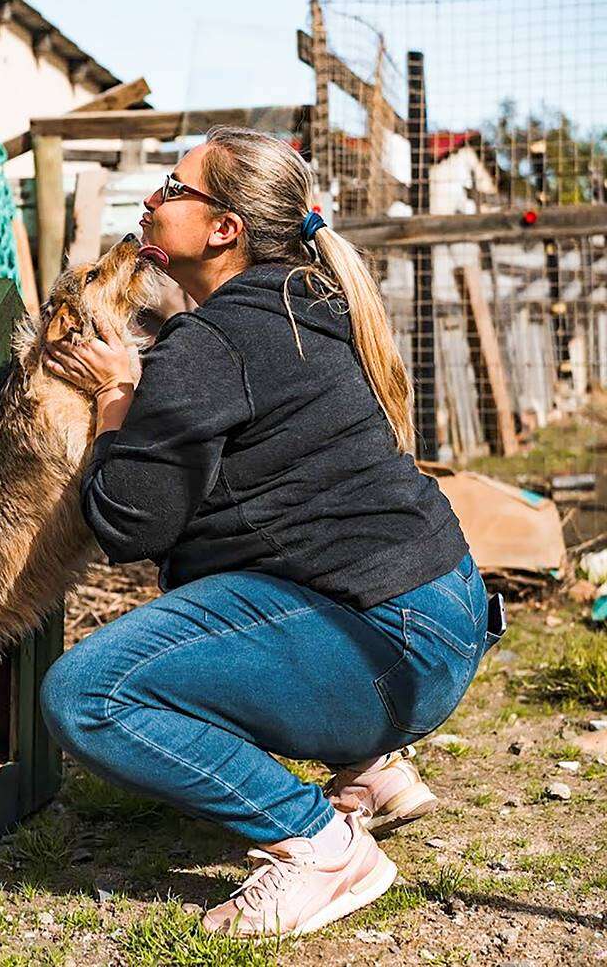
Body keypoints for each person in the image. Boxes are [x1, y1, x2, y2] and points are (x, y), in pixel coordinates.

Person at [39, 126, 492, 939]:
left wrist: (116, 400)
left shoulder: (211, 341)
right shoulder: (309, 300)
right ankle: (369, 772)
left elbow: (131, 522)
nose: (150, 198)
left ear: (225, 229)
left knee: (89, 694)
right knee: (219, 561)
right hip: (444, 613)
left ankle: (323, 846)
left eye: (172, 188)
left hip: (386, 647)